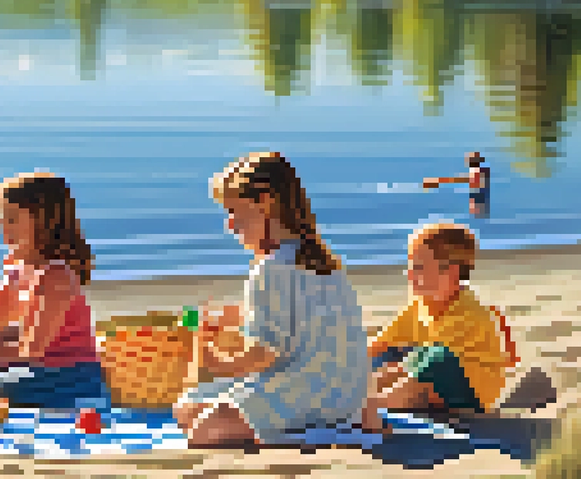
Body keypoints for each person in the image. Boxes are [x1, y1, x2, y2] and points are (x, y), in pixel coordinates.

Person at [173, 151, 369, 448]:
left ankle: (282, 433)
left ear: (265, 201)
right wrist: (237, 316)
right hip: (346, 398)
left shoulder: (270, 268)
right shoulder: (323, 262)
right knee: (188, 407)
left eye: (234, 212)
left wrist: (214, 360)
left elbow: (264, 355)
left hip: (305, 395)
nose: (230, 224)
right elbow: (302, 318)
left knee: (203, 427)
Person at [0, 172, 107, 409]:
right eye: (2, 220)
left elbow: (32, 350)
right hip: (33, 367)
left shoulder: (55, 275)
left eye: (13, 220)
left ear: (44, 220)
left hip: (70, 375)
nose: (5, 229)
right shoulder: (15, 266)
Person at [360, 222, 517, 433]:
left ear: (450, 273)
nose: (409, 274)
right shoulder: (419, 307)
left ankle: (377, 406)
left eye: (419, 267)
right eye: (410, 266)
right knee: (383, 355)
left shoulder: (469, 313)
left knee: (432, 358)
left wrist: (389, 374)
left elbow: (431, 362)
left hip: (470, 395)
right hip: (428, 379)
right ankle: (356, 398)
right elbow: (380, 343)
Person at [423, 152, 492, 216]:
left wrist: (439, 181)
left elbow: (471, 181)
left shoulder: (479, 171)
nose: (467, 162)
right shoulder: (479, 170)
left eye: (470, 160)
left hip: (479, 202)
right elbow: (469, 180)